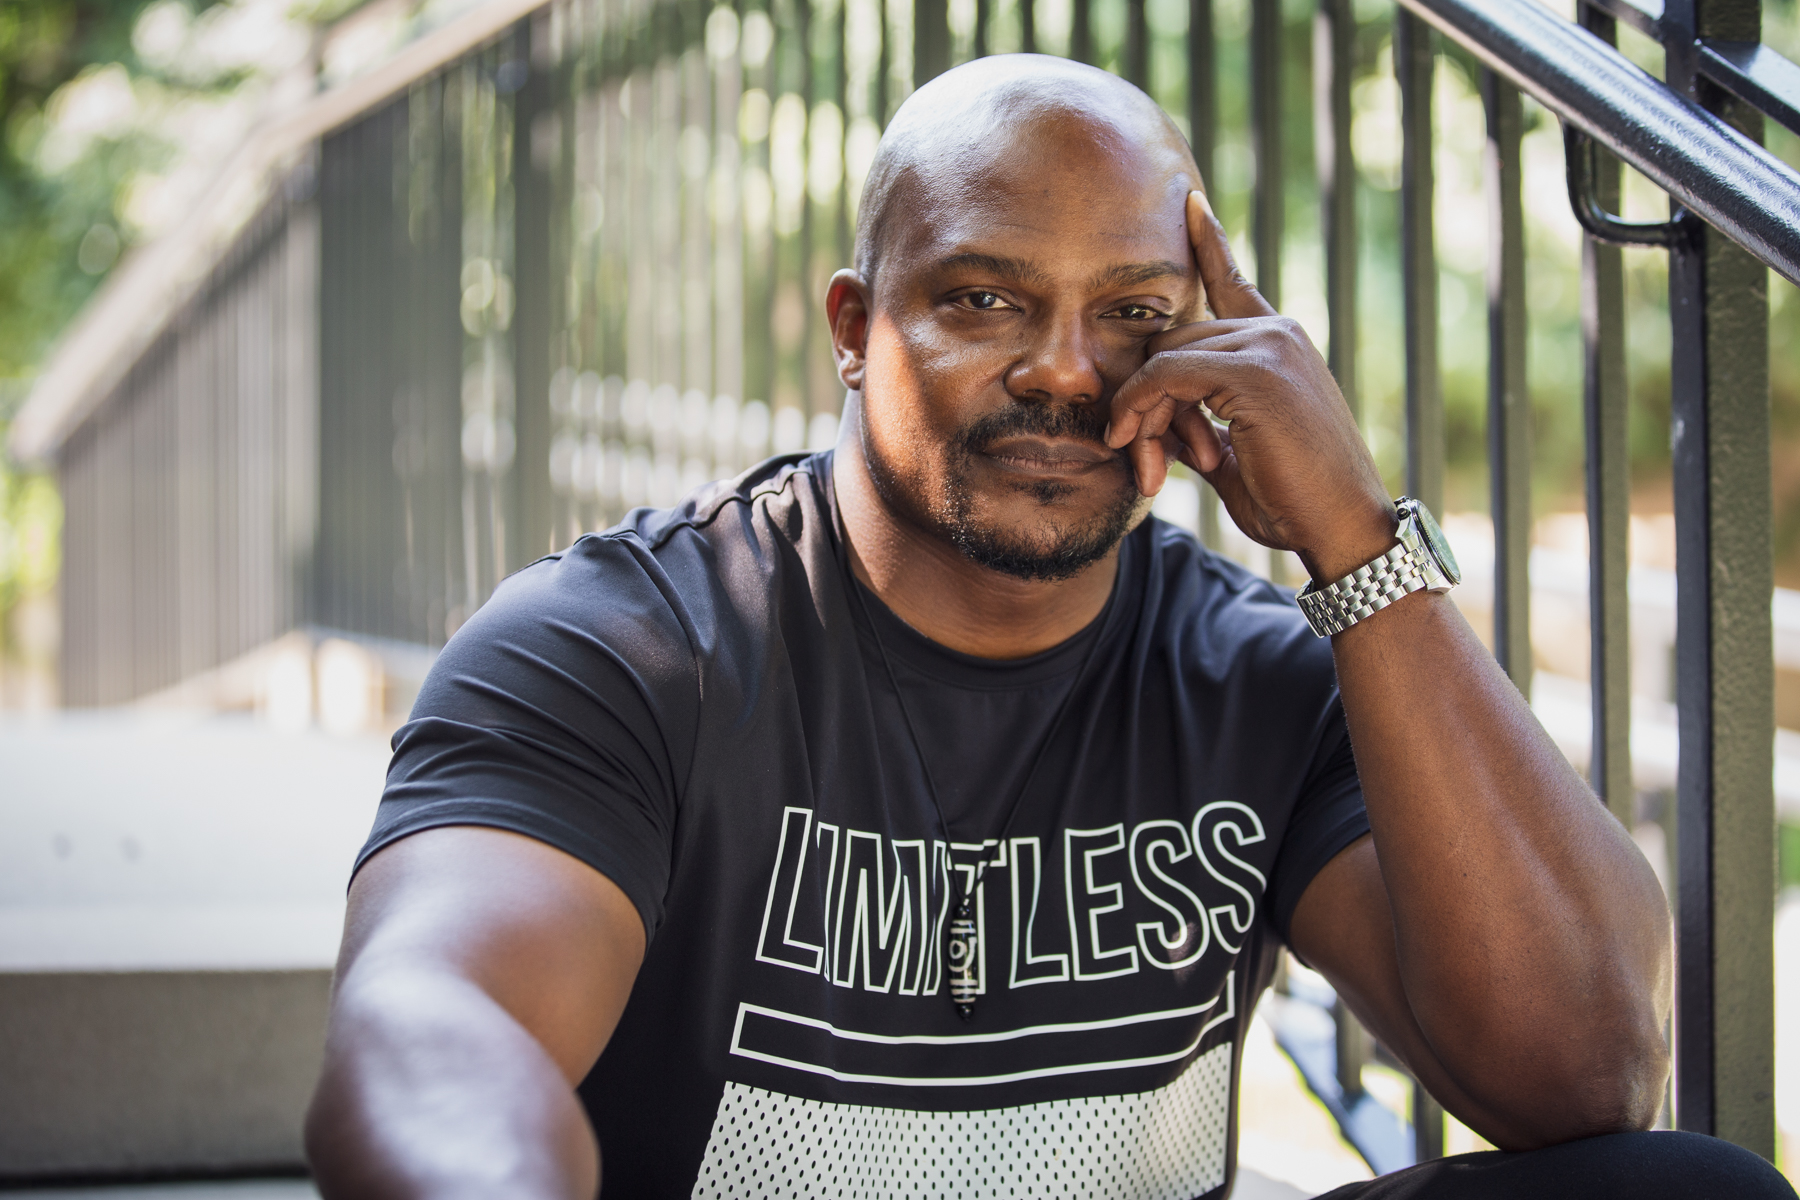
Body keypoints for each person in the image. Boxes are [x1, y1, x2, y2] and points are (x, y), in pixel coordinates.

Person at [304, 54, 1793, 1200]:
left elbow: (1589, 1075)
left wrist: (1355, 540)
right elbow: (432, 1023)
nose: (1069, 374)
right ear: (852, 324)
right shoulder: (627, 647)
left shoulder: (1255, 672)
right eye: (985, 299)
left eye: (1138, 312)